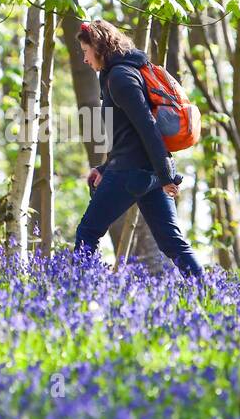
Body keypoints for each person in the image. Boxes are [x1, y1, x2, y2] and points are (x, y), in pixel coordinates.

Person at [73, 20, 204, 278]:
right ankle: (208, 293)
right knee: (171, 242)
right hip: (145, 171)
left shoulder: (121, 78)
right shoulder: (120, 73)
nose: (85, 59)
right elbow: (128, 135)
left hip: (132, 172)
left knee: (87, 231)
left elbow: (147, 127)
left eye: (85, 51)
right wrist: (104, 167)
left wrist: (167, 177)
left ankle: (78, 293)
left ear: (98, 47)